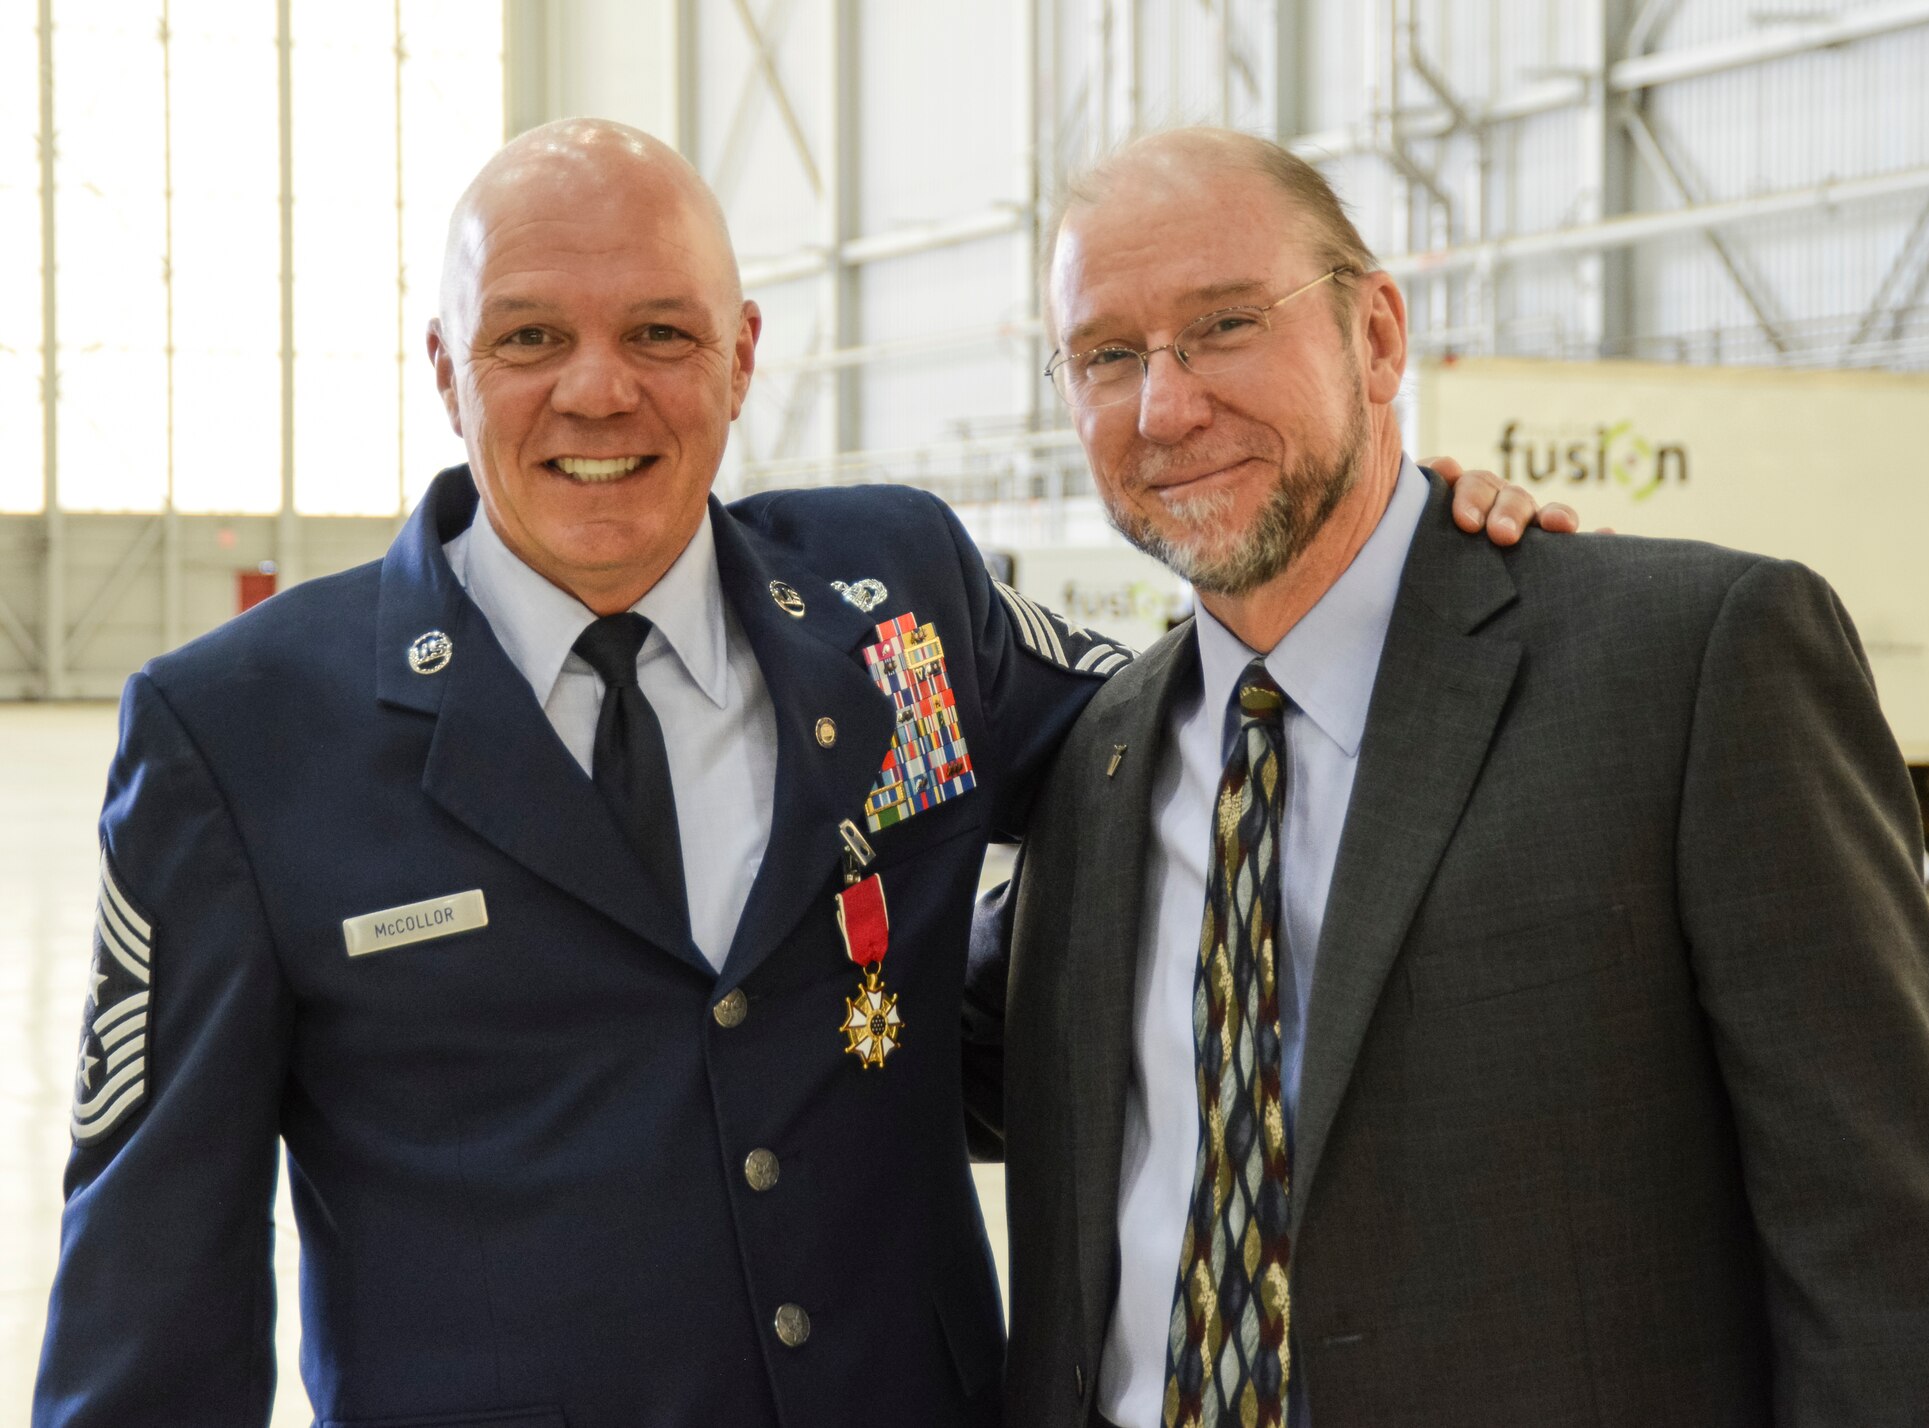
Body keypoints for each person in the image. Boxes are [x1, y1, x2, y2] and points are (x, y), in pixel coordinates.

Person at [31, 120, 1553, 1428]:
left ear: (743, 354)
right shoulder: (240, 733)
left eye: (662, 334)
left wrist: (1410, 552)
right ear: (445, 368)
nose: (599, 391)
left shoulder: (900, 602)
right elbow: (152, 1284)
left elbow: (1198, 718)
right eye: (529, 338)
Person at [986, 127, 1929, 1428]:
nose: (1163, 406)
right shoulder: (1098, 756)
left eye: (1226, 325)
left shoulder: (1690, 667)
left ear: (1378, 338)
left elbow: (1891, 1269)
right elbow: (902, 1054)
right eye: (1107, 356)